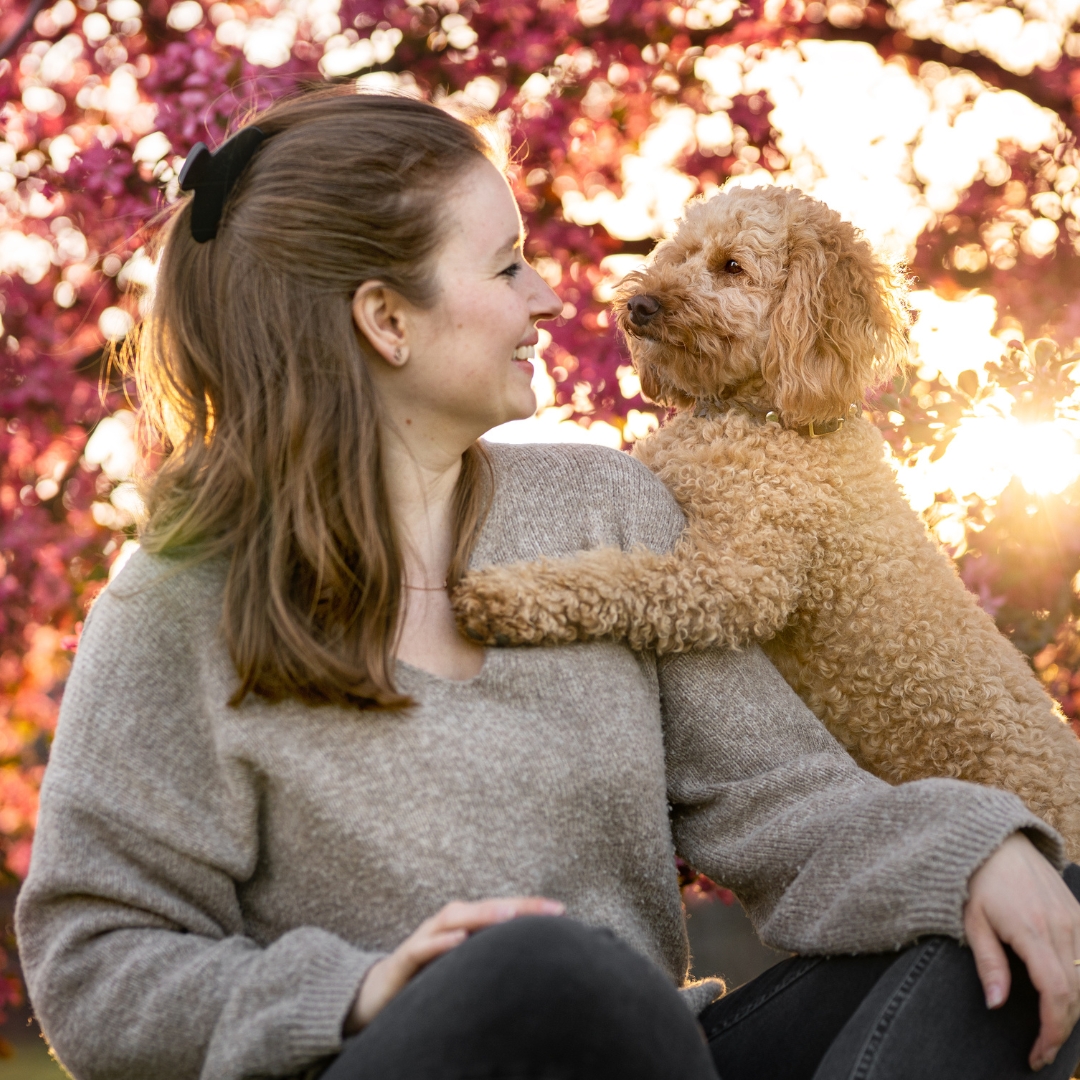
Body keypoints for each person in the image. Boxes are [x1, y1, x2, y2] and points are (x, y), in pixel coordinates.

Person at [14, 87, 1080, 1080]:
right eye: (508, 266)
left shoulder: (604, 505)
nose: (552, 293)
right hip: (385, 1061)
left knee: (1027, 922)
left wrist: (971, 852)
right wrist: (357, 991)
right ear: (387, 319)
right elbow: (95, 958)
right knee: (543, 971)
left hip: (657, 1054)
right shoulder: (176, 601)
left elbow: (781, 799)